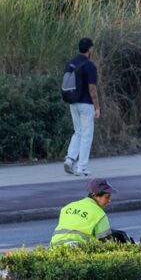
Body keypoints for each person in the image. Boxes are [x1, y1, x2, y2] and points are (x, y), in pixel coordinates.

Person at [63, 37, 100, 177]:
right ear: (90, 49)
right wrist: (97, 107)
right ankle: (81, 167)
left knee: (78, 131)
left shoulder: (71, 63)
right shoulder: (89, 66)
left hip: (73, 102)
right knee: (87, 134)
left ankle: (70, 159)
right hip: (86, 103)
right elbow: (92, 88)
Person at [50, 178, 114, 247]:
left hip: (55, 247)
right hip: (76, 248)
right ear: (96, 196)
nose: (109, 200)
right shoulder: (99, 214)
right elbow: (107, 243)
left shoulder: (68, 207)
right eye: (107, 197)